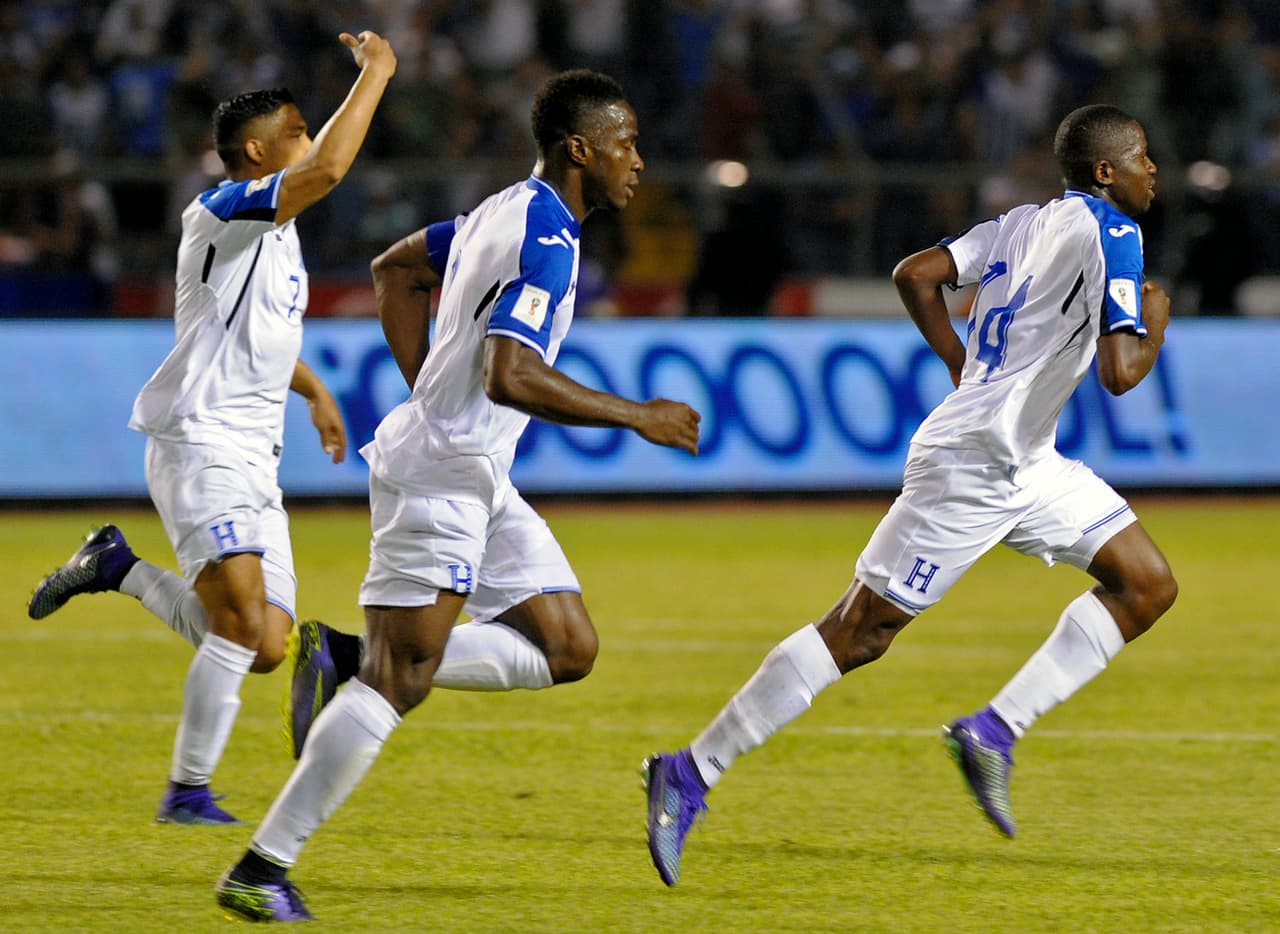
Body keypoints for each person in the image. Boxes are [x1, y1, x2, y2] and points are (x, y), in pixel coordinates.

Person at [642, 103, 1178, 886]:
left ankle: (994, 730)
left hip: (1026, 460)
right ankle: (688, 773)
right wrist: (1156, 321)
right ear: (1106, 172)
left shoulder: (1020, 223)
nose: (1152, 169)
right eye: (1142, 157)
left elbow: (916, 274)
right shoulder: (1115, 232)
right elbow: (1121, 373)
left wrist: (965, 366)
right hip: (974, 463)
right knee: (859, 631)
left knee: (1147, 584)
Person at [215, 68, 701, 922]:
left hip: (470, 468)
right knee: (397, 680)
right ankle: (262, 866)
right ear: (580, 149)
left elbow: (395, 269)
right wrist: (638, 415)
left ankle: (337, 655)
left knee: (567, 648)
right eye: (625, 142)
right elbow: (510, 374)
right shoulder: (545, 236)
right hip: (444, 474)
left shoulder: (499, 210)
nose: (639, 161)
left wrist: (430, 394)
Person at [27, 30, 397, 826]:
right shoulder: (222, 210)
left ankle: (116, 566)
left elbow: (251, 336)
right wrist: (377, 76)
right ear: (260, 151)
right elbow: (330, 168)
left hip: (252, 458)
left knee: (265, 643)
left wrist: (312, 388)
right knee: (236, 625)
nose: (311, 138)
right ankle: (187, 791)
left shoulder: (279, 238)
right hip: (200, 441)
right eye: (299, 128)